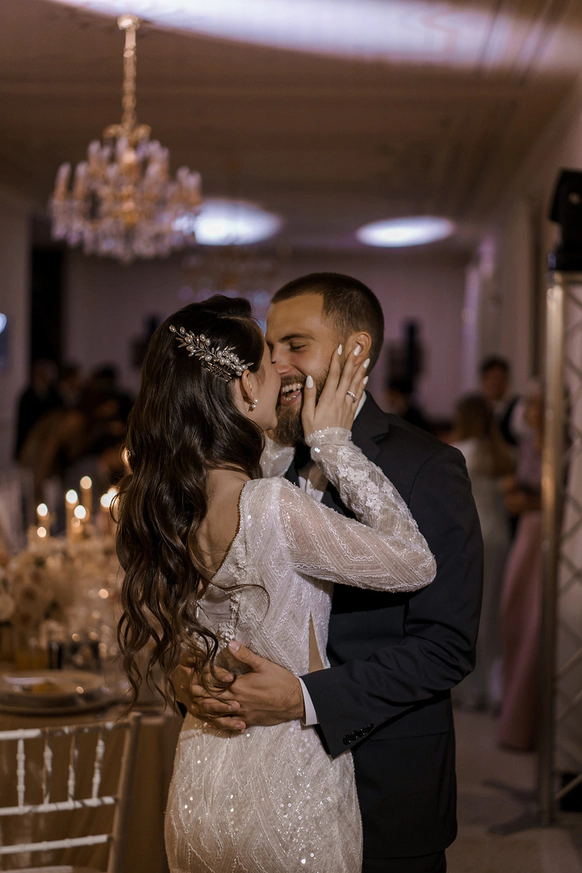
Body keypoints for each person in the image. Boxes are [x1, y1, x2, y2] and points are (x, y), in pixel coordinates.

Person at [116, 295, 437, 873]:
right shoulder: (270, 504)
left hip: (200, 782)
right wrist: (334, 445)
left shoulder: (167, 502)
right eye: (269, 360)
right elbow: (415, 562)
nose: (282, 370)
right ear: (245, 385)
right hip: (288, 784)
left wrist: (187, 670)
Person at [176, 274, 483, 873]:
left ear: (355, 350)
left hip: (383, 780)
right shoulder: (253, 460)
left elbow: (446, 645)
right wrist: (191, 673)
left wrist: (306, 698)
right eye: (269, 348)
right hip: (257, 784)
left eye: (295, 345)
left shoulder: (427, 466)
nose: (275, 365)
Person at [450, 394, 514, 710]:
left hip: (472, 538)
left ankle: (471, 689)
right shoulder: (500, 453)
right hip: (499, 537)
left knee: (469, 612)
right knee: (495, 612)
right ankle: (495, 687)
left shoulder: (459, 452)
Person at [498, 381, 544, 750]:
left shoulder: (559, 447)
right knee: (514, 616)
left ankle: (529, 721)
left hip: (542, 534)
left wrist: (526, 500)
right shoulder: (529, 445)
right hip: (526, 532)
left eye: (535, 404)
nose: (528, 411)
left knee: (534, 622)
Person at [479, 356, 524, 447]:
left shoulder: (518, 407)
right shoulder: (478, 408)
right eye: (489, 378)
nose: (494, 383)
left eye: (498, 378)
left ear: (506, 380)